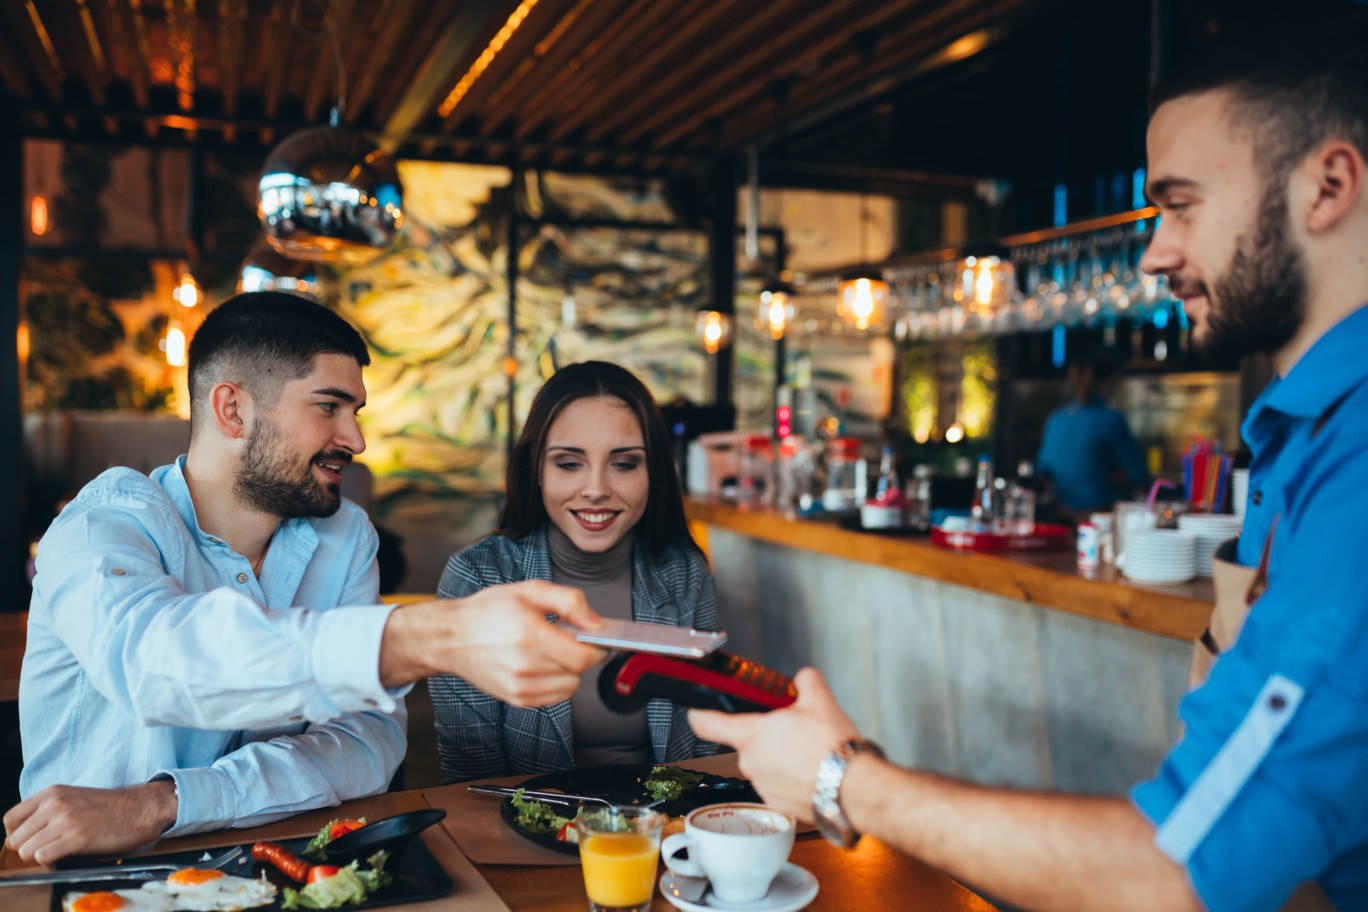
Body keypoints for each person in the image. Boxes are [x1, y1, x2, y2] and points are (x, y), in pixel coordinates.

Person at [691, 11, 1368, 912]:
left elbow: (1177, 873)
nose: (1156, 251)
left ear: (1328, 185)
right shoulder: (1302, 433)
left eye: (1180, 204)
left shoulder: (1356, 459)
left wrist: (839, 780)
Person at [7, 292, 605, 865]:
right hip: (96, 877)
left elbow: (368, 741)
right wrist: (431, 635)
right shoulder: (103, 524)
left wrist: (169, 802)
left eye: (355, 412)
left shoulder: (345, 537)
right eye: (328, 407)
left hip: (285, 865)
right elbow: (154, 661)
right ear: (233, 410)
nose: (356, 439)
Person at [430, 361, 719, 782]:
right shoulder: (478, 579)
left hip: (659, 830)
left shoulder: (685, 574)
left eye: (624, 464)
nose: (597, 488)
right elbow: (469, 776)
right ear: (537, 472)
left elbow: (700, 751)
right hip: (522, 834)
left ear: (653, 472)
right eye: (569, 464)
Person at [1035, 351, 1150, 517]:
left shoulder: (1056, 418)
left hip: (1059, 517)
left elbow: (1043, 470)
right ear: (1111, 379)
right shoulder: (1111, 419)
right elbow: (1138, 475)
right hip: (1098, 517)